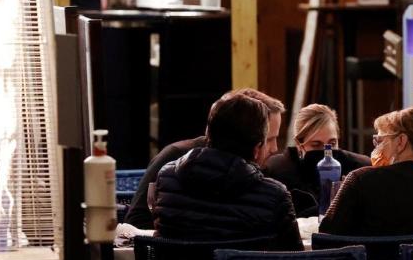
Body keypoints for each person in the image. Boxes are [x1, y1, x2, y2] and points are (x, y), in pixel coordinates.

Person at [152, 90, 301, 248]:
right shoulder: (275, 196)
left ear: (208, 135)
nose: (274, 148)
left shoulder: (167, 178)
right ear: (257, 149)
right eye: (268, 141)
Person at [124, 88, 285, 229]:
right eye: (268, 139)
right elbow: (136, 222)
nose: (274, 148)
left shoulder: (260, 171)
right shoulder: (174, 158)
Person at [319, 107, 413, 236]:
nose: (376, 148)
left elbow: (326, 239)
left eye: (380, 141)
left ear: (401, 141)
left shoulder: (360, 181)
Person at [264, 103, 370, 218]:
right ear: (299, 145)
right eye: (316, 145)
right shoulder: (278, 171)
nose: (326, 151)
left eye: (332, 143)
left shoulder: (358, 167)